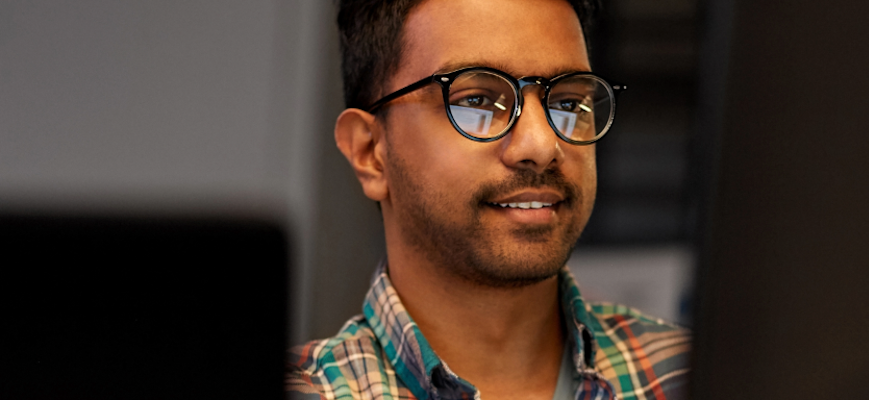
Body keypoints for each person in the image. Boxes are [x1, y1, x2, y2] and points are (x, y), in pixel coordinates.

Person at [284, 0, 691, 399]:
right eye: (476, 101)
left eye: (568, 103)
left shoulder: (695, 378)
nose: (542, 144)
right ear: (370, 153)